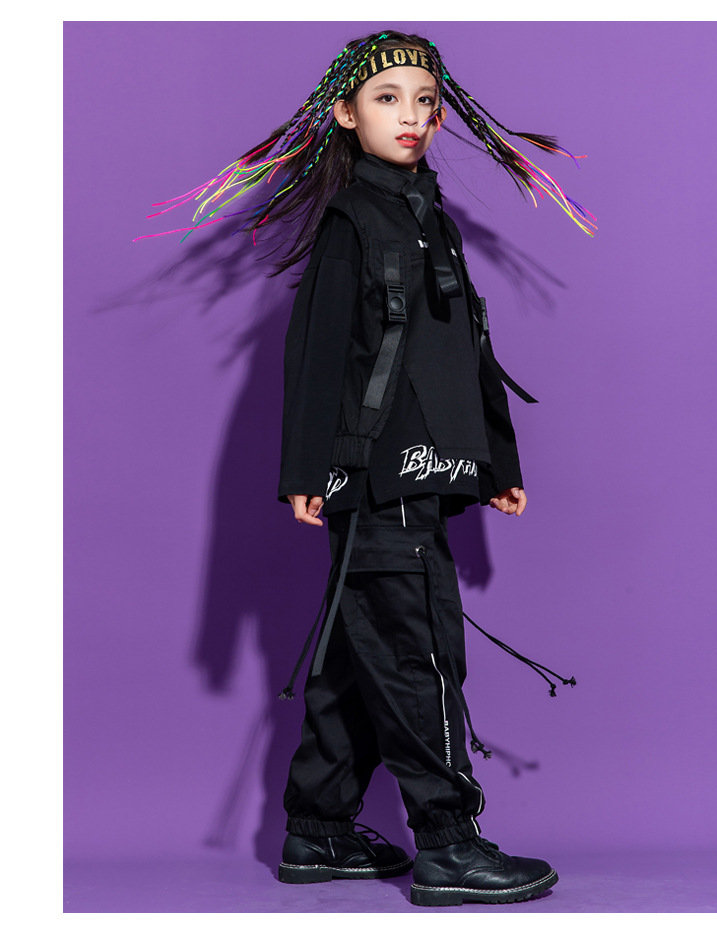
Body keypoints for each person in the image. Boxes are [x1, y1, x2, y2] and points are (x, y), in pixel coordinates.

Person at [141, 29, 592, 908]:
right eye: (388, 98)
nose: (411, 115)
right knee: (419, 648)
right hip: (376, 475)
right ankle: (448, 843)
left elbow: (466, 348)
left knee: (364, 647)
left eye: (425, 100)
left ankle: (317, 828)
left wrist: (495, 459)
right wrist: (307, 469)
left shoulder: (435, 223)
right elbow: (315, 353)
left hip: (430, 468)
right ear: (347, 116)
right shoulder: (352, 223)